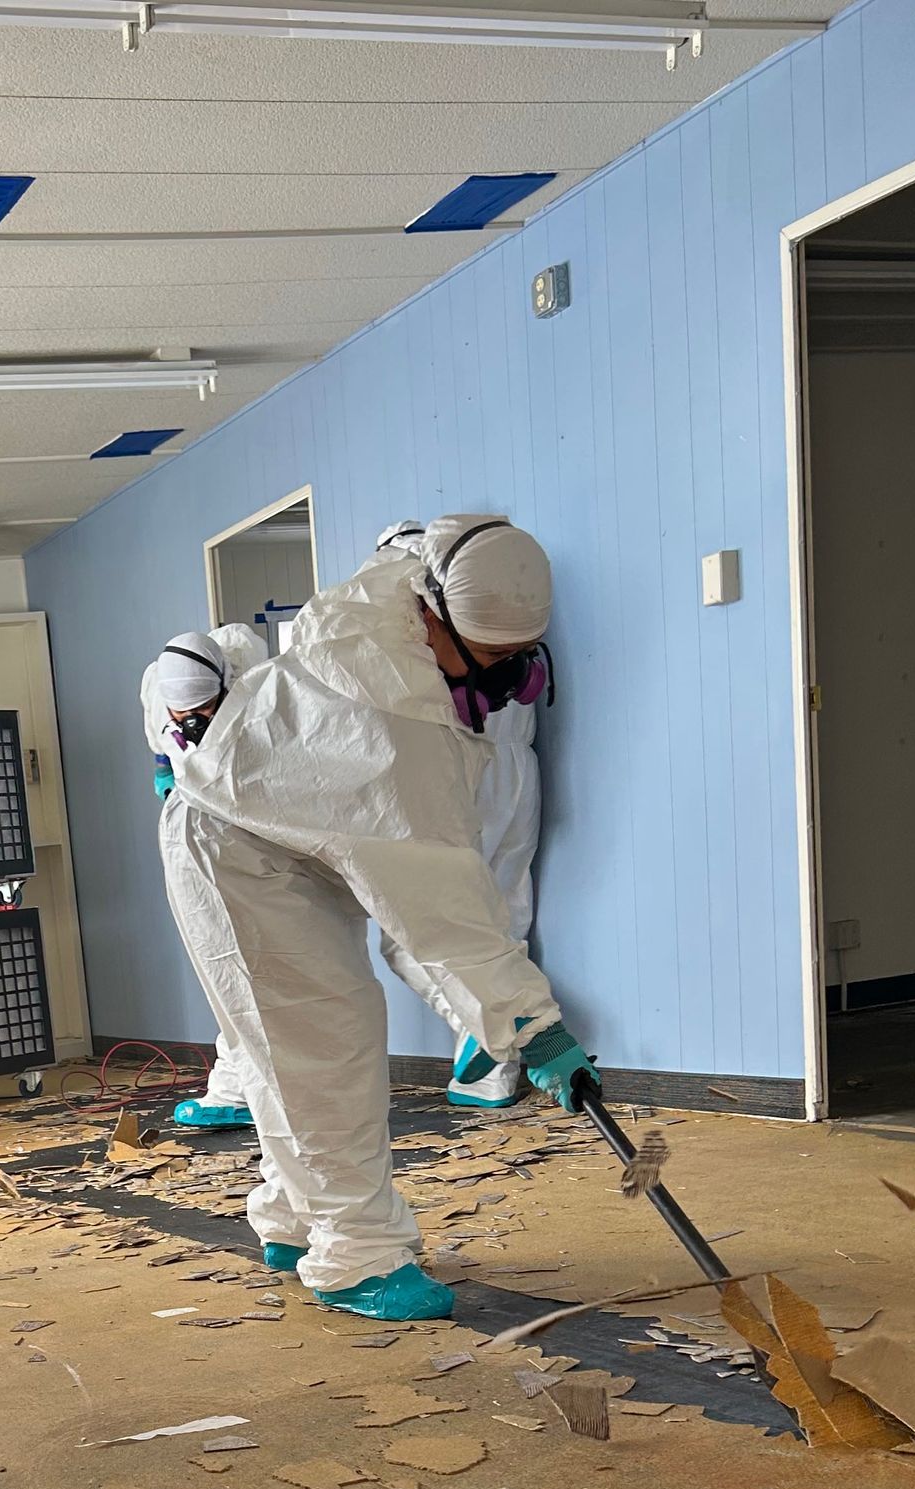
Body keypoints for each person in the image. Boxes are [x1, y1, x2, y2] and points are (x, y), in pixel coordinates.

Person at [159, 522, 599, 1321]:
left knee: (293, 1044)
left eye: (521, 660)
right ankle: (356, 1253)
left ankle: (294, 1218)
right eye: (496, 662)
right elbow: (440, 915)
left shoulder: (400, 596)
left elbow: (420, 917)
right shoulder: (389, 720)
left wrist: (504, 1022)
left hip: (279, 828)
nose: (509, 683)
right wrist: (531, 1027)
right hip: (233, 847)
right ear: (435, 615)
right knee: (319, 1040)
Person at [378, 515, 550, 1108]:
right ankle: (491, 1074)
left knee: (412, 934)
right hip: (518, 771)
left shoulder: (419, 634)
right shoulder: (496, 608)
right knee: (502, 917)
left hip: (459, 772)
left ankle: (493, 1038)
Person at [140, 624, 267, 1130]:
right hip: (195, 842)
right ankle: (236, 1089)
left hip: (251, 836)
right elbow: (159, 741)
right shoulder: (157, 692)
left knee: (254, 972)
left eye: (204, 711)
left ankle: (246, 1089)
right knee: (225, 971)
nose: (192, 722)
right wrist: (163, 769)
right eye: (182, 715)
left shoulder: (253, 690)